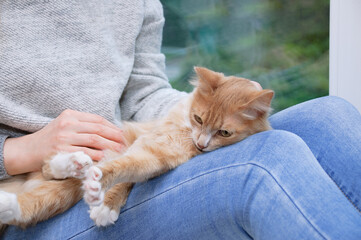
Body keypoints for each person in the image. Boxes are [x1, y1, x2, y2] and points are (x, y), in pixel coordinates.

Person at [1, 1, 360, 239]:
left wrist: (224, 109)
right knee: (262, 163)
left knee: (328, 115)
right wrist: (17, 151)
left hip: (120, 156)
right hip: (30, 201)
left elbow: (144, 95)